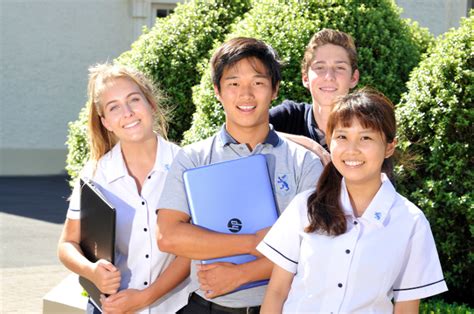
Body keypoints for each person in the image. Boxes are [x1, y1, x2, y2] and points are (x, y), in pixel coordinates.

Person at [156, 37, 324, 313]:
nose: (246, 94)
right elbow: (169, 236)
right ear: (217, 91)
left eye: (258, 83)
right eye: (233, 83)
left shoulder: (303, 162)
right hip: (206, 306)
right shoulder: (193, 158)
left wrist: (242, 274)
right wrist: (253, 242)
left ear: (275, 90)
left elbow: (313, 247)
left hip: (281, 306)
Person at [258, 88, 448, 313]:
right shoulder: (305, 206)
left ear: (389, 146)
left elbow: (406, 309)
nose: (352, 149)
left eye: (365, 137)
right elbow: (277, 291)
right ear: (330, 141)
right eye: (342, 137)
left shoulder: (411, 222)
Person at [57, 63, 189, 314]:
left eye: (133, 100)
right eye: (114, 107)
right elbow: (66, 245)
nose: (127, 112)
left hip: (175, 307)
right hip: (111, 309)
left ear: (150, 104)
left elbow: (193, 249)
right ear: (105, 122)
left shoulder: (186, 166)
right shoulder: (95, 174)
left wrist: (145, 298)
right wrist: (91, 271)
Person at [270, 28, 360, 165]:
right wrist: (309, 145)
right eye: (320, 67)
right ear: (305, 78)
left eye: (339, 68)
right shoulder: (288, 117)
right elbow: (239, 133)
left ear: (353, 78)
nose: (329, 76)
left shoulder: (368, 128)